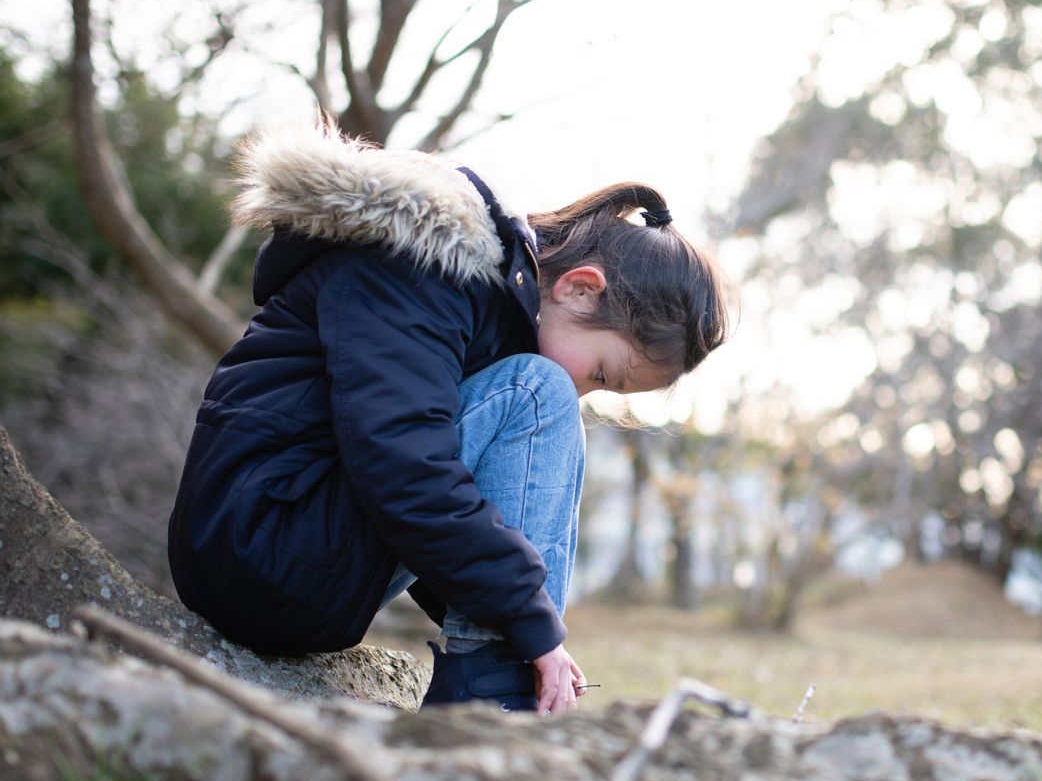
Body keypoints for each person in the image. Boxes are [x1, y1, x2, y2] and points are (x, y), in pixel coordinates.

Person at [167, 121, 730, 716]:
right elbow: (404, 466)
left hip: (293, 557)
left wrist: (527, 620)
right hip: (265, 543)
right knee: (537, 392)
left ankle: (496, 673)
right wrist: (528, 625)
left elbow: (421, 485)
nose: (582, 393)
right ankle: (493, 686)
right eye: (601, 374)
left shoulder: (480, 306)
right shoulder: (416, 266)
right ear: (581, 289)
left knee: (534, 396)